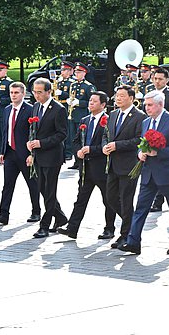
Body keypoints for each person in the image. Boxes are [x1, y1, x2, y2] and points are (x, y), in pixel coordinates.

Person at [119, 90, 169, 255]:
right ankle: (133, 242)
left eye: (150, 105)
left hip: (168, 173)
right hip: (148, 172)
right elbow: (141, 143)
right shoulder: (145, 122)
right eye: (145, 105)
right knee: (141, 208)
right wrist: (140, 153)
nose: (147, 108)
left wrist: (159, 153)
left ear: (160, 104)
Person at [57, 91, 115, 239]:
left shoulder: (108, 121)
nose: (90, 103)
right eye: (90, 101)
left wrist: (91, 150)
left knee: (108, 200)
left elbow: (106, 144)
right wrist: (78, 152)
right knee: (81, 199)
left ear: (103, 105)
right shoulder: (85, 120)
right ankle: (72, 228)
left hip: (101, 167)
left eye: (94, 101)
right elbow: (76, 140)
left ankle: (109, 228)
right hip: (85, 168)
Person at [0, 82, 41, 225]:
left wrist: (33, 154)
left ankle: (36, 211)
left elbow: (34, 133)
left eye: (16, 93)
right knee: (7, 185)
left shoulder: (31, 110)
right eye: (11, 92)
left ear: (23, 94)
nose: (13, 95)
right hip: (10, 153)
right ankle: (3, 214)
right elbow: (5, 132)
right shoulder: (7, 110)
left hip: (25, 154)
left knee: (32, 184)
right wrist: (2, 151)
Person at [103, 85, 146, 249]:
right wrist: (106, 145)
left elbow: (138, 140)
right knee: (110, 197)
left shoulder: (139, 116)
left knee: (126, 200)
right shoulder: (113, 114)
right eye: (116, 95)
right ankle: (133, 223)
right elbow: (106, 135)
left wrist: (117, 145)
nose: (118, 98)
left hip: (129, 164)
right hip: (113, 164)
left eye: (121, 96)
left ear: (131, 98)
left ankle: (125, 235)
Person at [26, 78, 69, 239]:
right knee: (42, 189)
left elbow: (62, 134)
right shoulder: (36, 107)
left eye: (40, 92)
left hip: (52, 157)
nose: (36, 95)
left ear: (48, 92)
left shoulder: (58, 109)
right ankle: (61, 217)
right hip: (38, 156)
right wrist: (31, 149)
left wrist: (41, 143)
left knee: (50, 191)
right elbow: (34, 129)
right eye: (34, 92)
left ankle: (45, 225)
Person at [148, 67, 169, 212]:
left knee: (162, 168)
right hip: (150, 134)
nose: (157, 81)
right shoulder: (150, 93)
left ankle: (158, 200)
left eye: (160, 79)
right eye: (155, 78)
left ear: (167, 80)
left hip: (164, 138)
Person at [65, 63, 96, 170]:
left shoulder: (88, 86)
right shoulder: (73, 85)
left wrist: (79, 103)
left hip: (82, 115)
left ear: (84, 73)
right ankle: (76, 160)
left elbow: (92, 102)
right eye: (76, 72)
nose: (77, 74)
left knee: (82, 138)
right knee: (73, 139)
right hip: (73, 115)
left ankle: (83, 160)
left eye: (79, 72)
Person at [55, 61, 76, 161]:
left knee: (67, 130)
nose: (62, 72)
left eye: (64, 70)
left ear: (70, 71)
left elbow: (73, 96)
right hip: (58, 106)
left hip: (66, 106)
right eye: (62, 70)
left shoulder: (72, 83)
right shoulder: (58, 82)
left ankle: (68, 152)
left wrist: (62, 93)